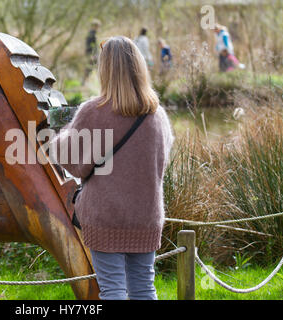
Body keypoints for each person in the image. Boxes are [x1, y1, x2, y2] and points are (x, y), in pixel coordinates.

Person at [49, 36, 174, 300]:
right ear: (139, 67)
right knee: (144, 287)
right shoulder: (158, 116)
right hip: (145, 216)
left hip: (104, 216)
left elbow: (74, 163)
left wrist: (57, 136)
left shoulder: (93, 111)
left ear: (105, 69)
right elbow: (161, 164)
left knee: (112, 289)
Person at [82, 19, 101, 84]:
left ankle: (85, 83)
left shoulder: (93, 33)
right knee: (89, 68)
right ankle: (84, 83)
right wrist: (91, 55)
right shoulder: (91, 34)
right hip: (92, 54)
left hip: (93, 54)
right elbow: (89, 46)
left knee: (92, 68)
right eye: (97, 26)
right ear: (94, 26)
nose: (98, 28)